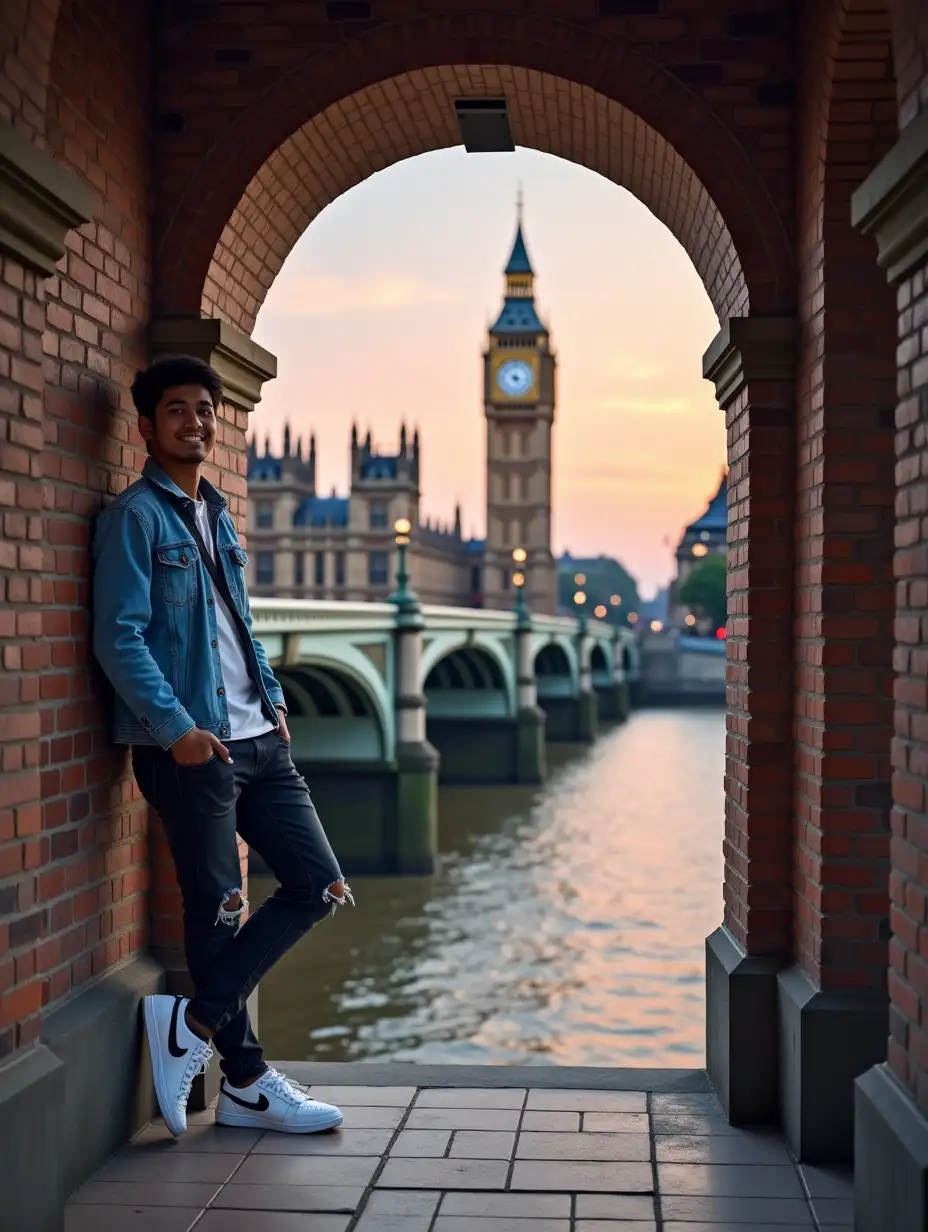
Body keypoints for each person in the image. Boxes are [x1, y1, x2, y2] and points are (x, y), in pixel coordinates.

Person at [92, 355, 353, 1138]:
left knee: (318, 884)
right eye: (178, 410)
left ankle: (193, 1025)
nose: (195, 422)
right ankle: (244, 1082)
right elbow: (119, 638)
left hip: (261, 742)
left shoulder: (220, 513)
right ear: (146, 426)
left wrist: (272, 700)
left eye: (206, 409)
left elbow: (241, 624)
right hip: (197, 747)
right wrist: (178, 733)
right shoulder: (136, 518)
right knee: (218, 909)